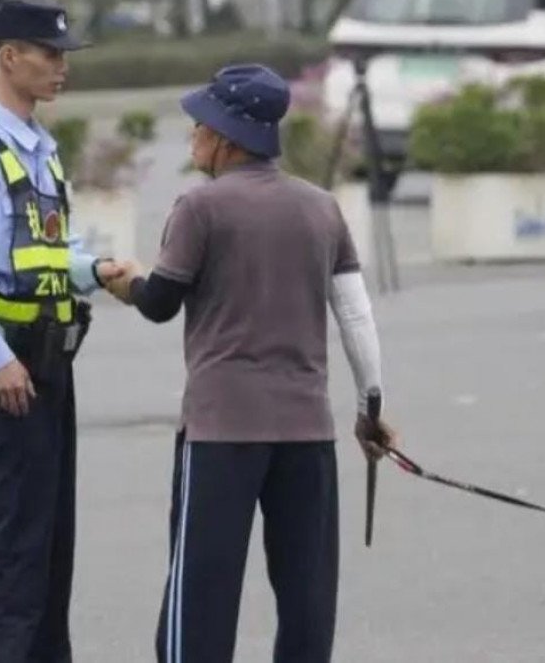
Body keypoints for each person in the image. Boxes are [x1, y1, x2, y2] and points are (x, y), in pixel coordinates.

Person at [106, 64, 399, 663]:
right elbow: (356, 318)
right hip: (306, 434)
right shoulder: (321, 208)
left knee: (202, 596)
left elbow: (161, 303)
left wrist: (129, 282)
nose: (193, 137)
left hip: (223, 434)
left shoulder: (200, 208)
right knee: (306, 599)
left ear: (227, 137)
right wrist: (372, 410)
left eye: (199, 126)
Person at [0, 0, 123, 661]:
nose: (61, 68)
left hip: (49, 366)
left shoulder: (39, 148)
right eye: (50, 54)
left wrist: (94, 268)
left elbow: (37, 253)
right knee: (16, 540)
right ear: (8, 57)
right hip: (6, 372)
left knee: (51, 540)